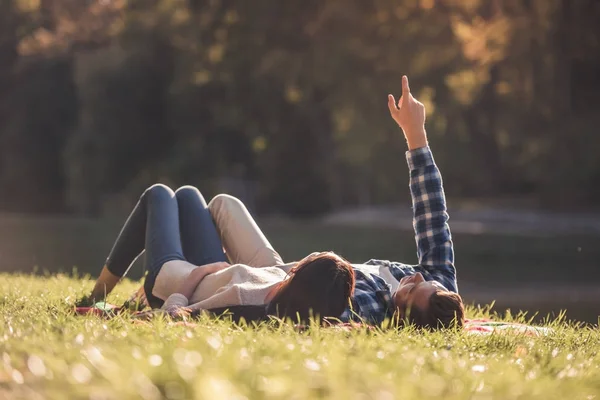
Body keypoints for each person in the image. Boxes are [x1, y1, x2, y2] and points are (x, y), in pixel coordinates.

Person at [206, 75, 465, 329]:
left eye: (412, 290)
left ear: (402, 316)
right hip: (279, 268)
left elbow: (309, 320)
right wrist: (415, 134)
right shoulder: (439, 280)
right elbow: (431, 214)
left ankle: (196, 279)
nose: (417, 277)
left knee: (186, 223)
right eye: (426, 281)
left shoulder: (370, 311)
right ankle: (200, 275)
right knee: (223, 204)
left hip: (274, 285)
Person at [78, 184, 355, 323]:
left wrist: (198, 273)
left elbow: (175, 313)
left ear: (300, 273)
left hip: (173, 280)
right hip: (213, 271)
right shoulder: (286, 286)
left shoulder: (243, 298)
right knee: (188, 194)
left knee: (158, 193)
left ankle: (97, 293)